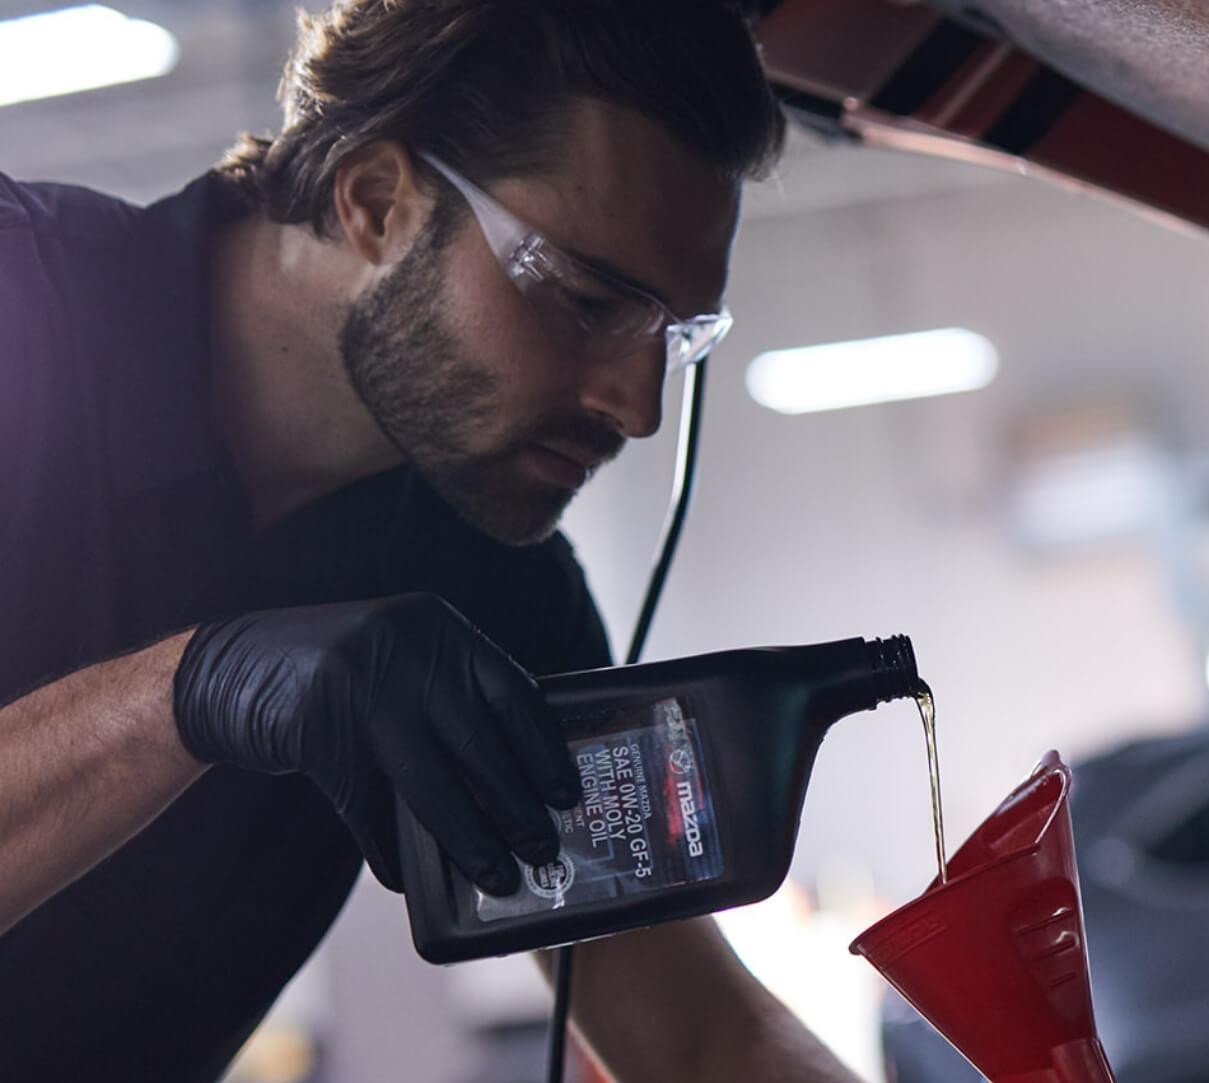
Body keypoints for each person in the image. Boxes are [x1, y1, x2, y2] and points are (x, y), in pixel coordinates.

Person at [0, 1, 865, 1079]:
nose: (638, 405)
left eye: (676, 339)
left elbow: (699, 1036)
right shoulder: (20, 312)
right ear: (374, 202)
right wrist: (186, 694)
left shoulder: (490, 590)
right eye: (589, 300)